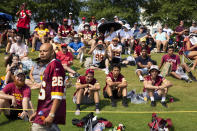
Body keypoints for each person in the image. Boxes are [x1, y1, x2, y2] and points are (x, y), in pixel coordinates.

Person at [29, 43, 66, 131]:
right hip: (43, 111)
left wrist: (51, 114)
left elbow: (58, 94)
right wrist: (37, 112)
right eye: (40, 51)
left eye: (45, 51)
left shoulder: (55, 65)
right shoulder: (50, 65)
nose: (41, 53)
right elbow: (48, 93)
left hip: (47, 113)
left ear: (52, 52)